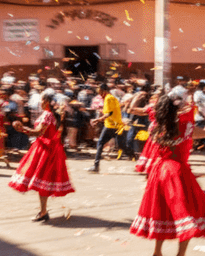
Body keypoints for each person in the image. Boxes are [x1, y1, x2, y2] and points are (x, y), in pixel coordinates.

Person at [130, 96, 205, 256]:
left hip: (158, 171)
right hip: (177, 171)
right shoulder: (185, 127)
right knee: (187, 213)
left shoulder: (155, 126)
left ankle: (157, 254)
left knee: (162, 211)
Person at [8, 92, 75, 222]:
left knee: (42, 182)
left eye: (42, 100)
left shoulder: (48, 115)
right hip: (48, 148)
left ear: (47, 102)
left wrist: (22, 129)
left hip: (46, 150)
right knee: (42, 182)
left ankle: (43, 212)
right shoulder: (52, 114)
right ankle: (43, 211)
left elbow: (38, 132)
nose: (40, 103)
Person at [89, 82, 123, 173]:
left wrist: (97, 120)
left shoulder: (108, 98)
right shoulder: (111, 98)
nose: (98, 92)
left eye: (99, 90)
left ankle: (96, 166)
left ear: (103, 90)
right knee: (123, 146)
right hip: (116, 125)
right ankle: (138, 161)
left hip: (111, 125)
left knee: (100, 143)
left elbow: (109, 113)